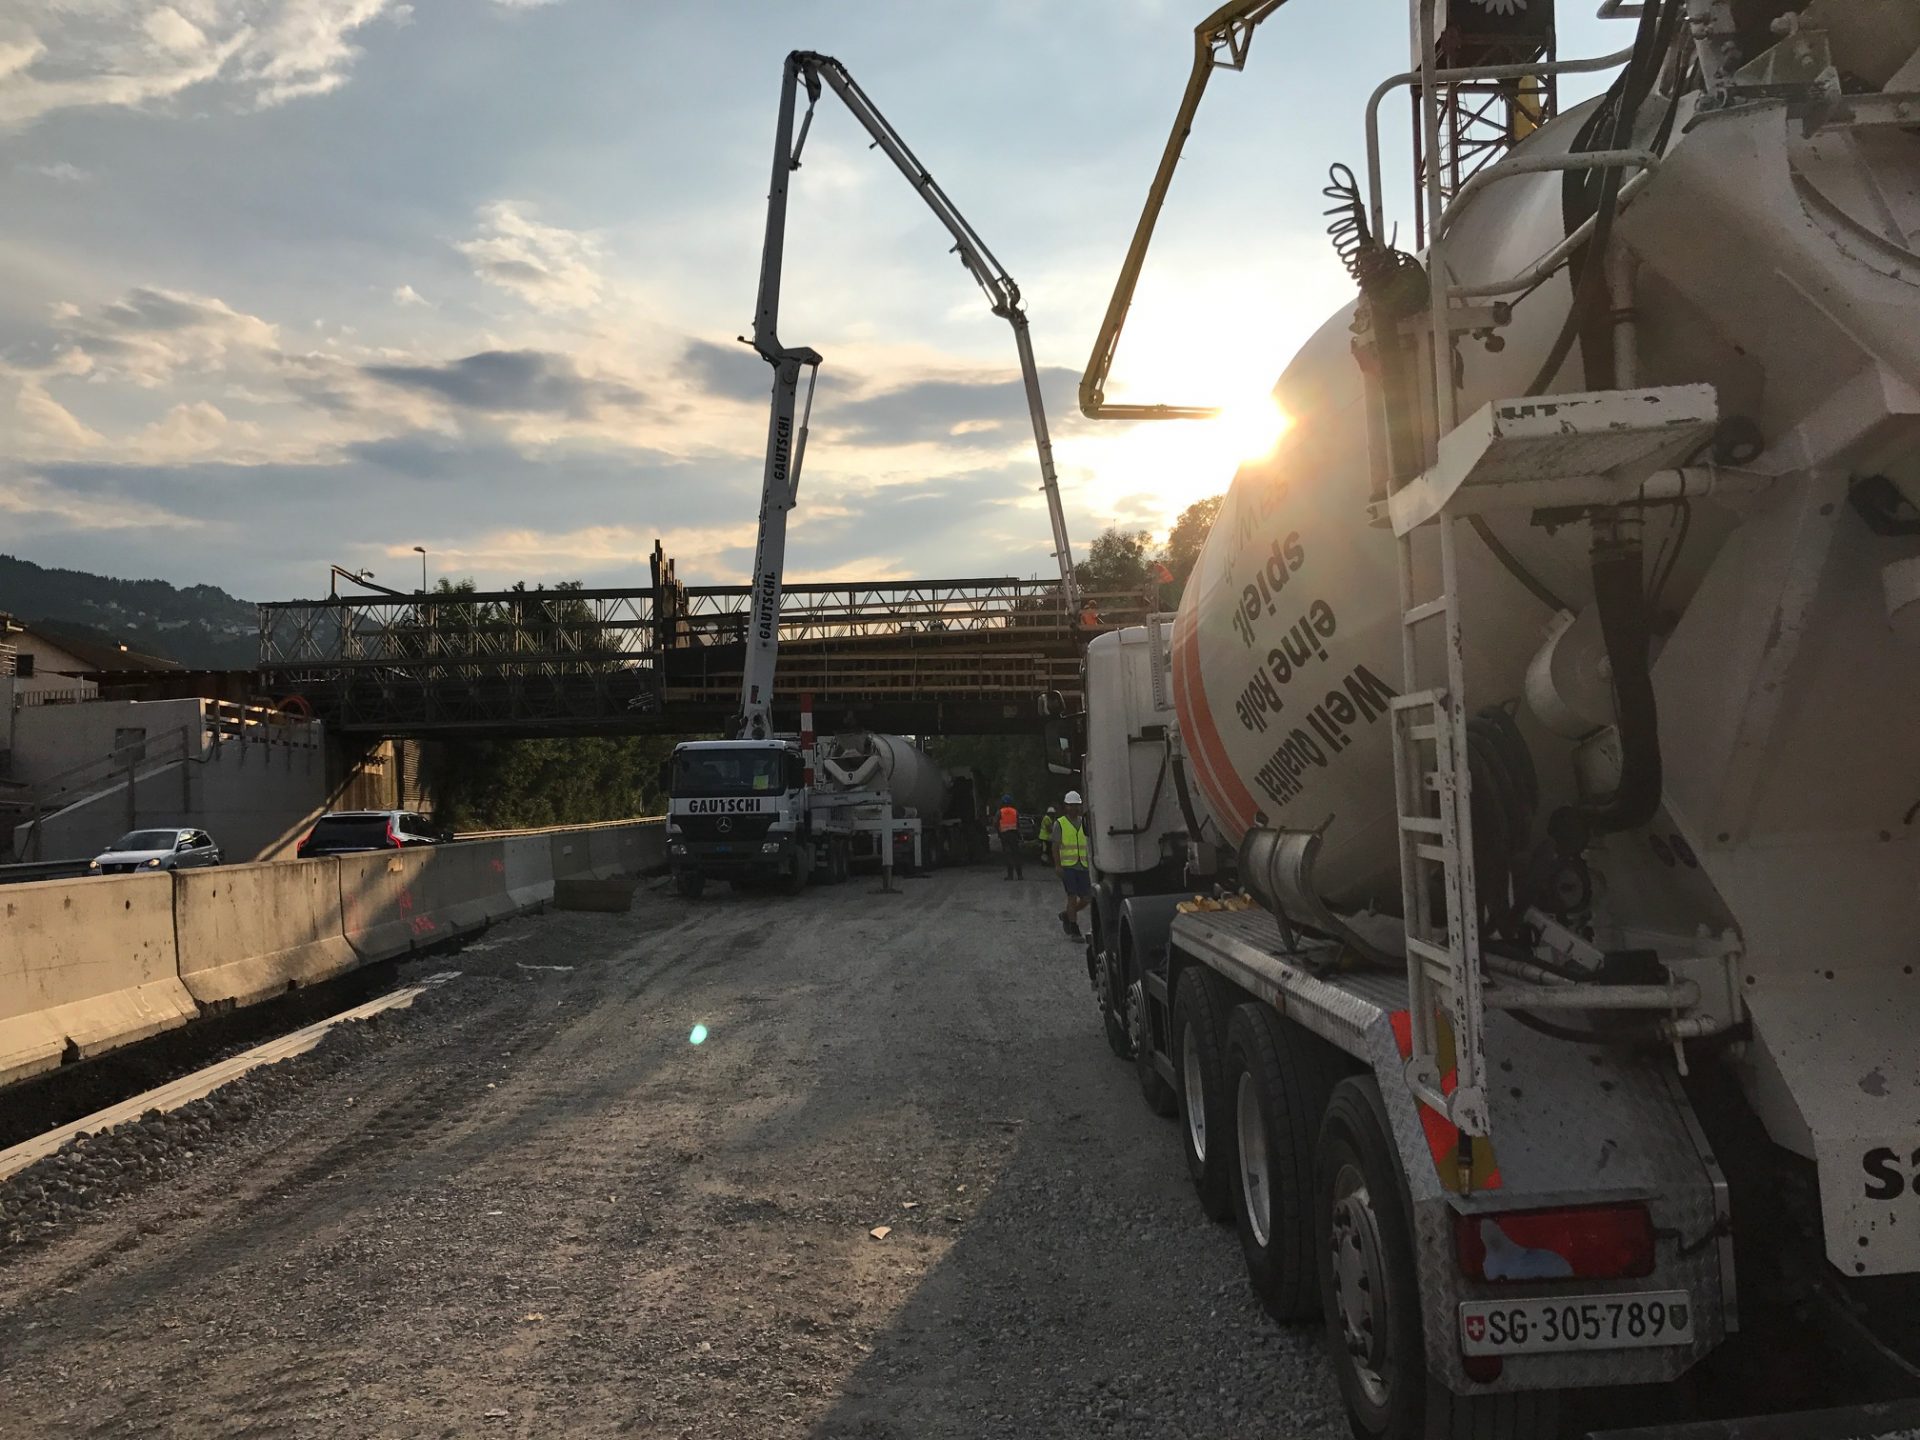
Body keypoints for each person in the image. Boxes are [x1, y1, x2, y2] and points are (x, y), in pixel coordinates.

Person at [1055, 791, 1091, 939]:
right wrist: (1058, 866)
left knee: (1087, 898)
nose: (1074, 808)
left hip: (1083, 865)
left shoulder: (1084, 822)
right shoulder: (1060, 823)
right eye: (1071, 805)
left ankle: (1067, 915)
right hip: (1068, 866)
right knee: (1072, 896)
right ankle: (1074, 929)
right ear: (1066, 806)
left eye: (1076, 805)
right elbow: (1055, 846)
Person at [996, 792, 1023, 880]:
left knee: (1008, 855)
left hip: (1004, 835)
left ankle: (1010, 875)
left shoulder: (1000, 812)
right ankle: (1020, 875)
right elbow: (1018, 824)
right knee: (1016, 854)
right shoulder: (1015, 811)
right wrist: (1019, 835)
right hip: (1014, 835)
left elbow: (996, 823)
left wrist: (999, 833)